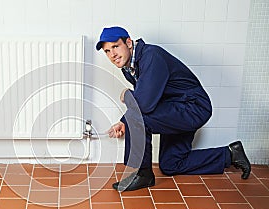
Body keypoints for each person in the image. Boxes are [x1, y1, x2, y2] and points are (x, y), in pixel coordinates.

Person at [96, 26, 251, 192]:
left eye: (115, 46)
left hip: (192, 107)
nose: (112, 55)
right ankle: (230, 154)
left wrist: (127, 96)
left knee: (138, 120)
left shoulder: (151, 56)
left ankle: (143, 175)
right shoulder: (129, 68)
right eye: (107, 51)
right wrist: (124, 121)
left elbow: (144, 104)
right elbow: (144, 100)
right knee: (171, 164)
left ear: (128, 43)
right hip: (174, 109)